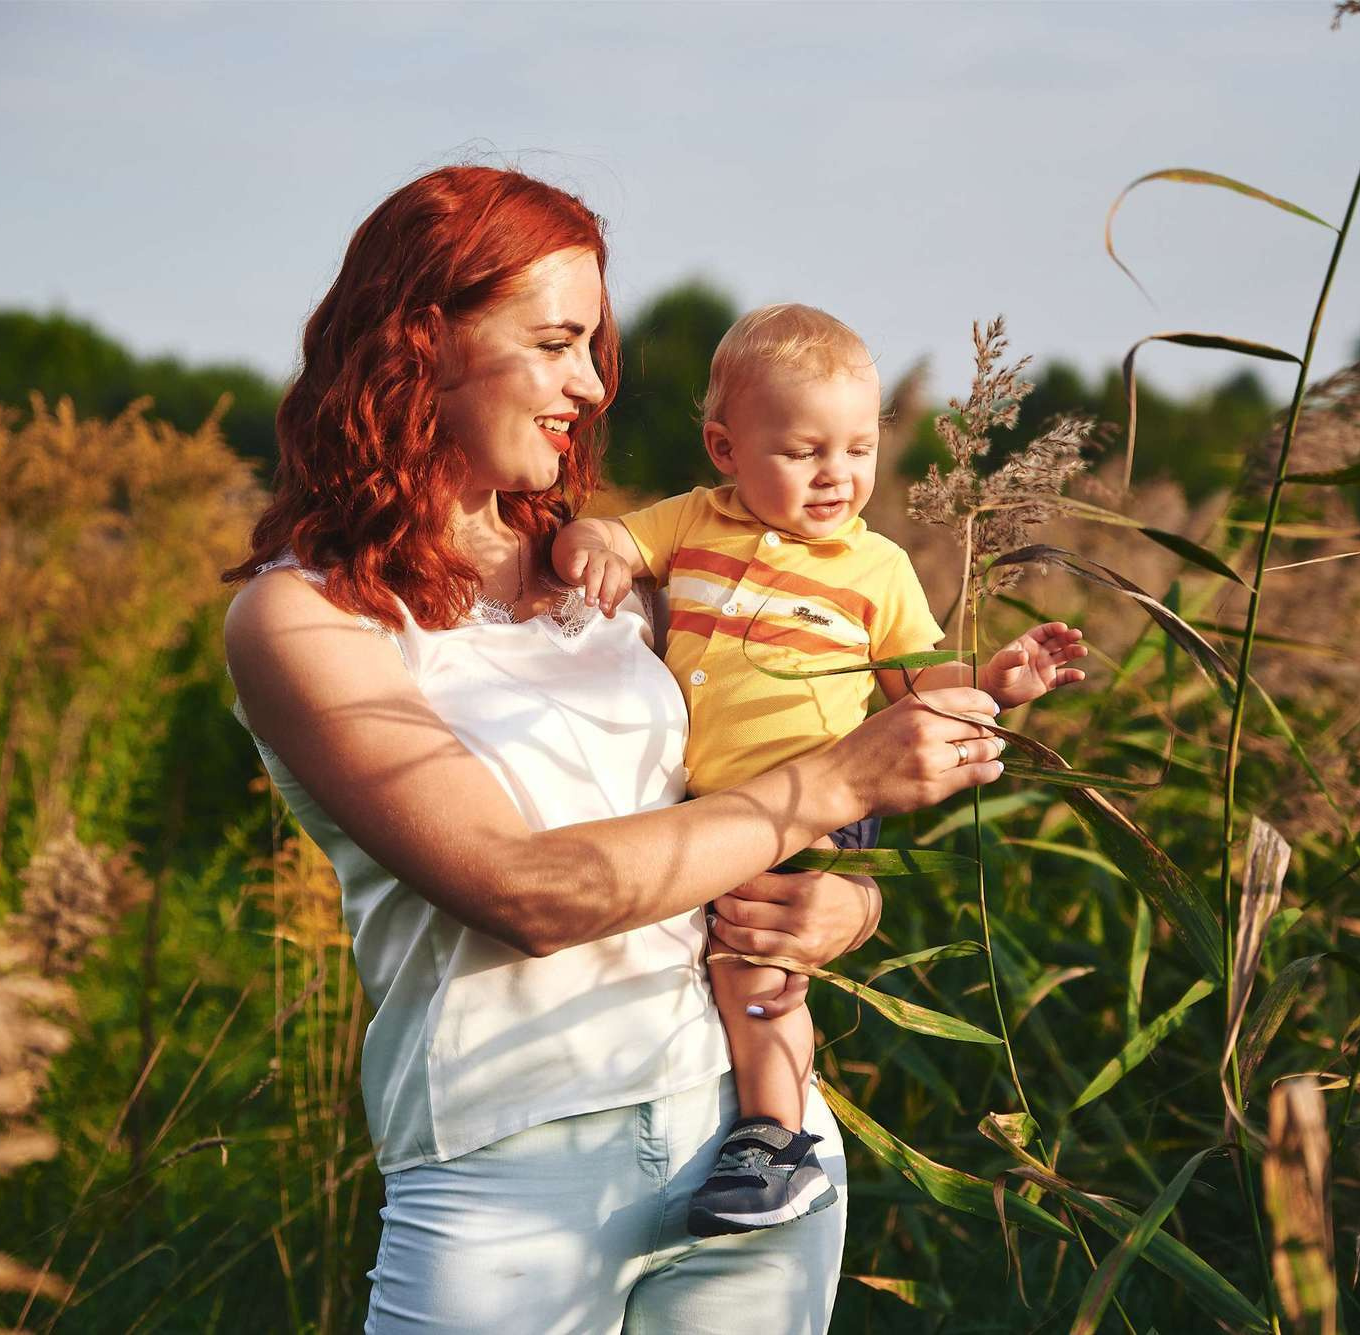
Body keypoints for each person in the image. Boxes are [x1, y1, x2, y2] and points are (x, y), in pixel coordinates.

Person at [220, 166, 1008, 1333]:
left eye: (595, 347)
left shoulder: (606, 575)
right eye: (556, 343)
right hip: (508, 1171)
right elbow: (524, 892)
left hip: (746, 1144)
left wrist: (844, 899)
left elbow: (745, 787)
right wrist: (837, 783)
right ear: (420, 339)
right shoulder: (307, 621)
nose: (590, 387)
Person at [551, 304, 1087, 1237]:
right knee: (728, 950)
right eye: (803, 451)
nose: (836, 475)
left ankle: (775, 1134)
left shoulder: (875, 568)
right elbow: (607, 540)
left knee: (753, 960)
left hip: (815, 800)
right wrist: (588, 548)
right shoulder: (695, 521)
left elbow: (915, 681)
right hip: (720, 804)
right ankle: (745, 1119)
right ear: (725, 446)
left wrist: (1000, 680)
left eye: (858, 448)